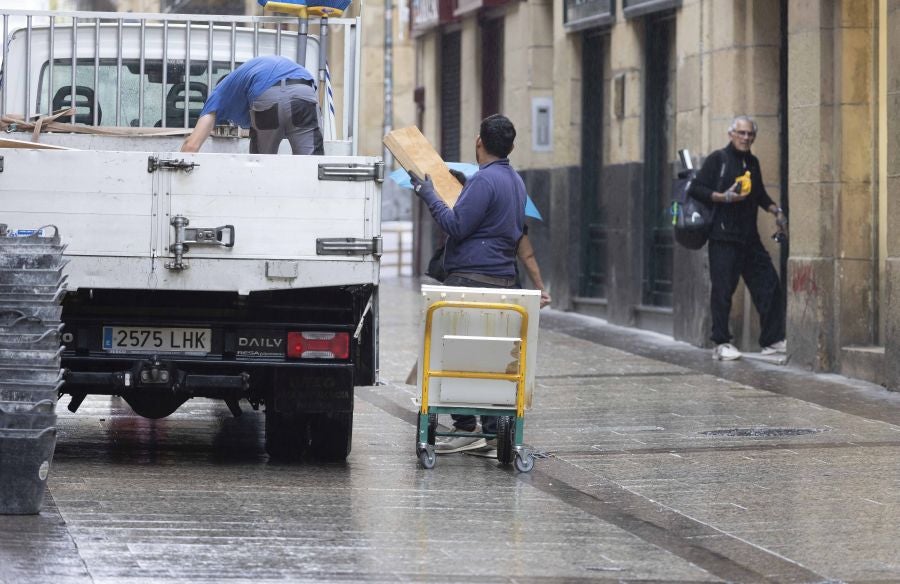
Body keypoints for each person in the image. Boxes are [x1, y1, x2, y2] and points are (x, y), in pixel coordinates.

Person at [411, 113, 527, 454]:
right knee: (491, 355)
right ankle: (492, 428)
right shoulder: (516, 182)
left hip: (472, 279)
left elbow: (457, 226)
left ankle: (464, 425)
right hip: (504, 280)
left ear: (479, 142)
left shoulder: (483, 181)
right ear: (512, 146)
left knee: (453, 353)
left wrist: (429, 193)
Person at [688, 115, 788, 361]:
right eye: (741, 133)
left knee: (769, 284)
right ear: (731, 134)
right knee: (723, 291)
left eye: (750, 134)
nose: (746, 138)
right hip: (723, 237)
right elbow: (696, 188)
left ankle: (772, 340)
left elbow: (760, 194)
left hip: (749, 238)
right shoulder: (718, 159)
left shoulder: (752, 162)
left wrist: (776, 210)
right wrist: (722, 197)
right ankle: (721, 343)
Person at [180, 55, 323, 155]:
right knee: (310, 163)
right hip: (305, 90)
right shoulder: (245, 76)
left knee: (259, 163)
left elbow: (191, 146)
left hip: (267, 93)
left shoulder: (218, 95)